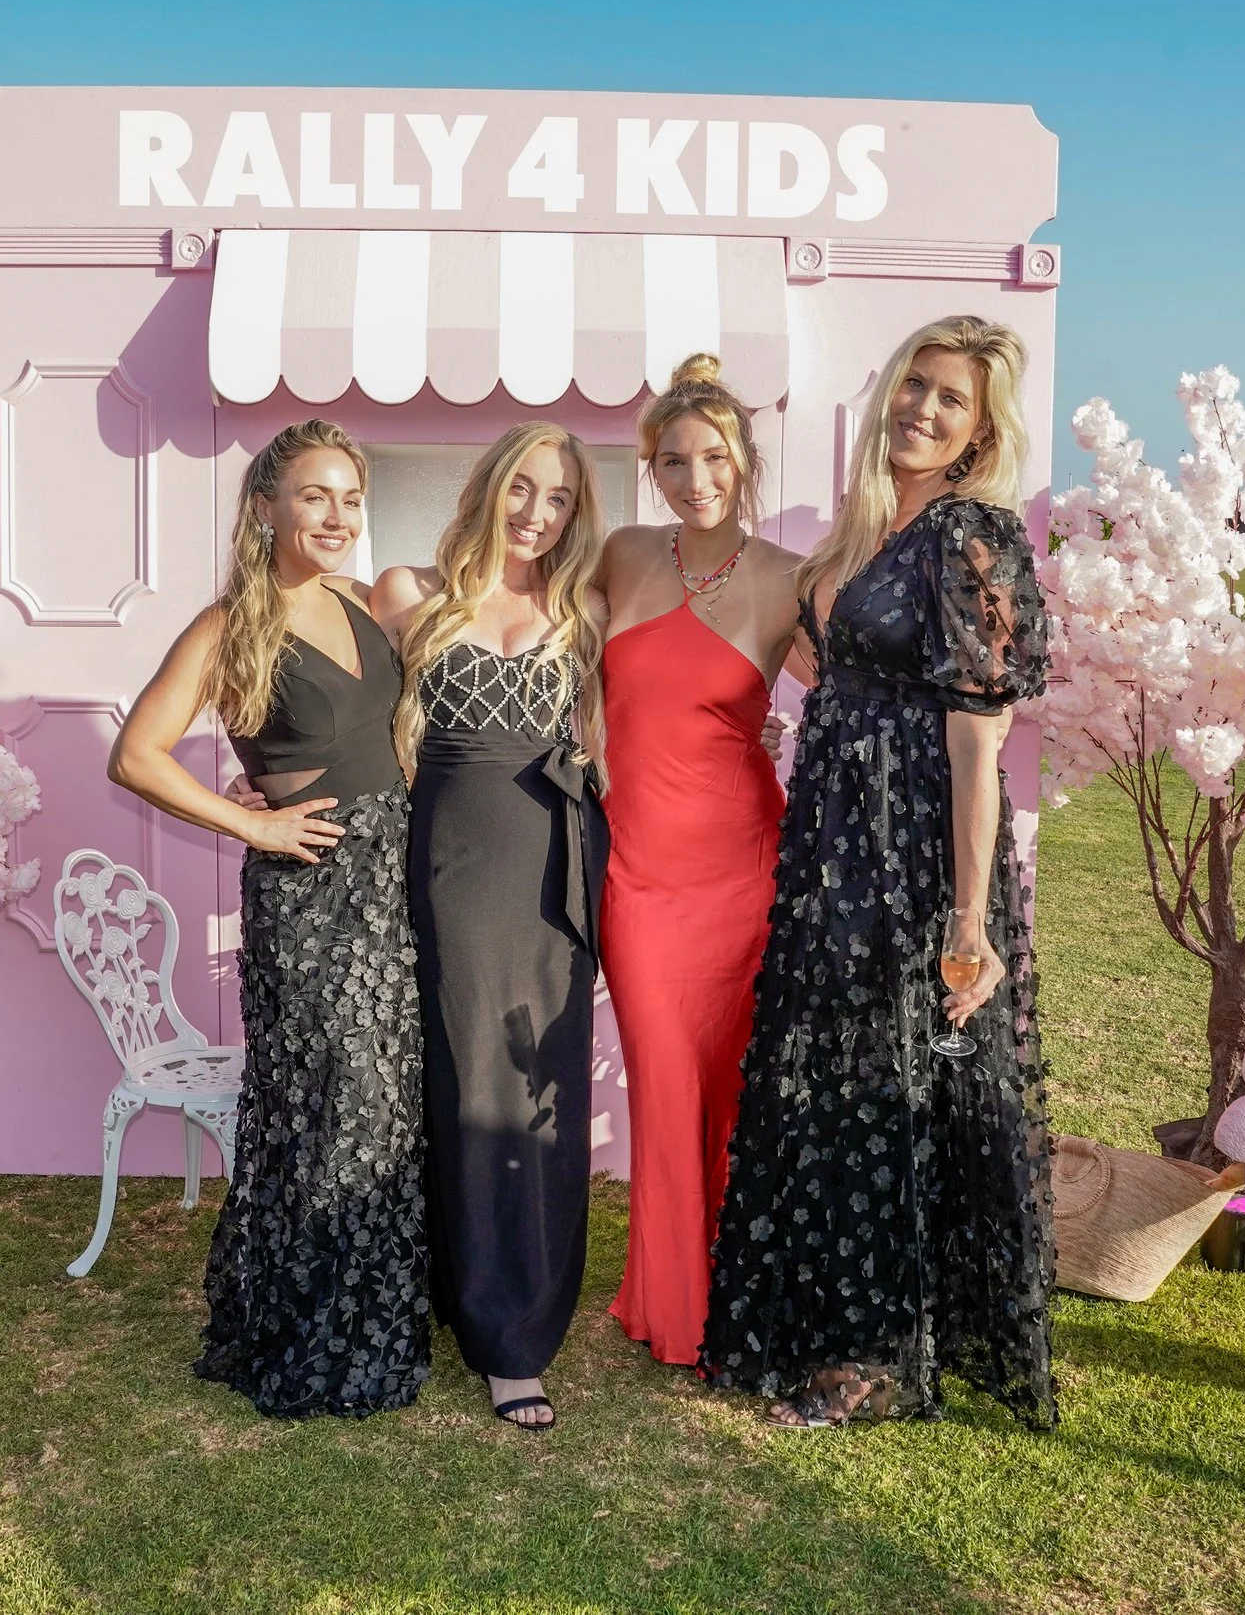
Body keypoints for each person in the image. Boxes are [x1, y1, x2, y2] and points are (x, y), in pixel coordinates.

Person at [700, 316, 1057, 1431]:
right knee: (828, 1064)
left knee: (886, 1077)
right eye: (915, 384)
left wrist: (969, 915)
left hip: (913, 851)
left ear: (980, 430)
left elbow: (977, 744)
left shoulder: (969, 535)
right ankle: (818, 1318)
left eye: (952, 399)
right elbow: (838, 676)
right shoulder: (861, 527)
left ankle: (876, 1354)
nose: (923, 409)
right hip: (832, 837)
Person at [105, 420, 429, 1419]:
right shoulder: (226, 627)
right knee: (328, 1107)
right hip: (312, 897)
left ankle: (377, 1321)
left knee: (386, 1104)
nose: (335, 516)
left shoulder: (362, 603)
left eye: (349, 498)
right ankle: (313, 1333)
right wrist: (251, 821)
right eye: (313, 495)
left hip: (396, 884)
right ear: (265, 507)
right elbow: (135, 754)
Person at [370, 421, 608, 1431]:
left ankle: (522, 1335)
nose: (536, 513)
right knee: (464, 1086)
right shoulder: (406, 593)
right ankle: (461, 1302)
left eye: (559, 498)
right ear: (486, 485)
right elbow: (349, 718)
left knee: (543, 1093)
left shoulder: (584, 609)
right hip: (451, 873)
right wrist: (273, 782)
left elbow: (617, 737)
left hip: (556, 878)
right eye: (522, 488)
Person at [595, 354, 806, 1366]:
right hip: (637, 873)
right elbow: (524, 634)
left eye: (714, 457)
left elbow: (856, 696)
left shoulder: (788, 578)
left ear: (744, 460)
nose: (695, 479)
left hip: (743, 870)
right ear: (652, 469)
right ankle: (673, 1304)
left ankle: (740, 1290)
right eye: (673, 461)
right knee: (664, 1079)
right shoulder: (621, 554)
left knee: (734, 1086)